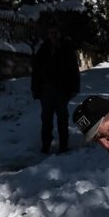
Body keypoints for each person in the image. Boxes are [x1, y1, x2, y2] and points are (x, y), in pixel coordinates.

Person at [31, 23, 80, 154]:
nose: (53, 35)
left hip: (62, 90)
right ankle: (45, 145)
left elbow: (73, 69)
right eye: (50, 33)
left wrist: (75, 88)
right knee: (46, 119)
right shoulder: (43, 49)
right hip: (46, 91)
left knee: (62, 118)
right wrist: (35, 89)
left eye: (55, 32)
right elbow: (36, 71)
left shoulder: (67, 48)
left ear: (59, 34)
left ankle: (63, 145)